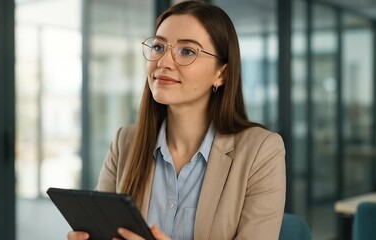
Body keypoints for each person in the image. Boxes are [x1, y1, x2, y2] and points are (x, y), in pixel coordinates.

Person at [68, 1, 286, 239]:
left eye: (187, 51)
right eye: (159, 47)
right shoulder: (125, 143)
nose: (163, 62)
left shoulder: (261, 151)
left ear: (221, 74)